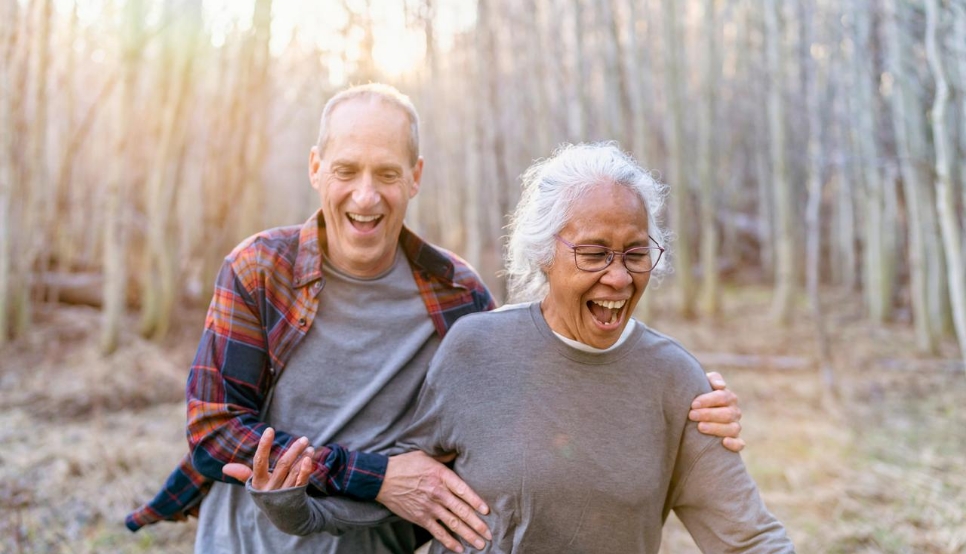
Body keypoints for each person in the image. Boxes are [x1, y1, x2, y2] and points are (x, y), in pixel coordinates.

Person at [125, 85, 746, 553]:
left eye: (387, 174)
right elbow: (213, 434)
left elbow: (540, 385)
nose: (365, 196)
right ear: (317, 168)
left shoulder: (454, 294)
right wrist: (375, 476)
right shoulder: (262, 269)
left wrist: (690, 410)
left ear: (415, 178)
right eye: (346, 171)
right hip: (248, 542)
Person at [237, 142, 794, 553]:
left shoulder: (676, 381)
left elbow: (748, 538)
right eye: (594, 253)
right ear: (544, 254)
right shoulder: (476, 349)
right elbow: (404, 499)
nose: (620, 278)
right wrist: (293, 504)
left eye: (634, 253)